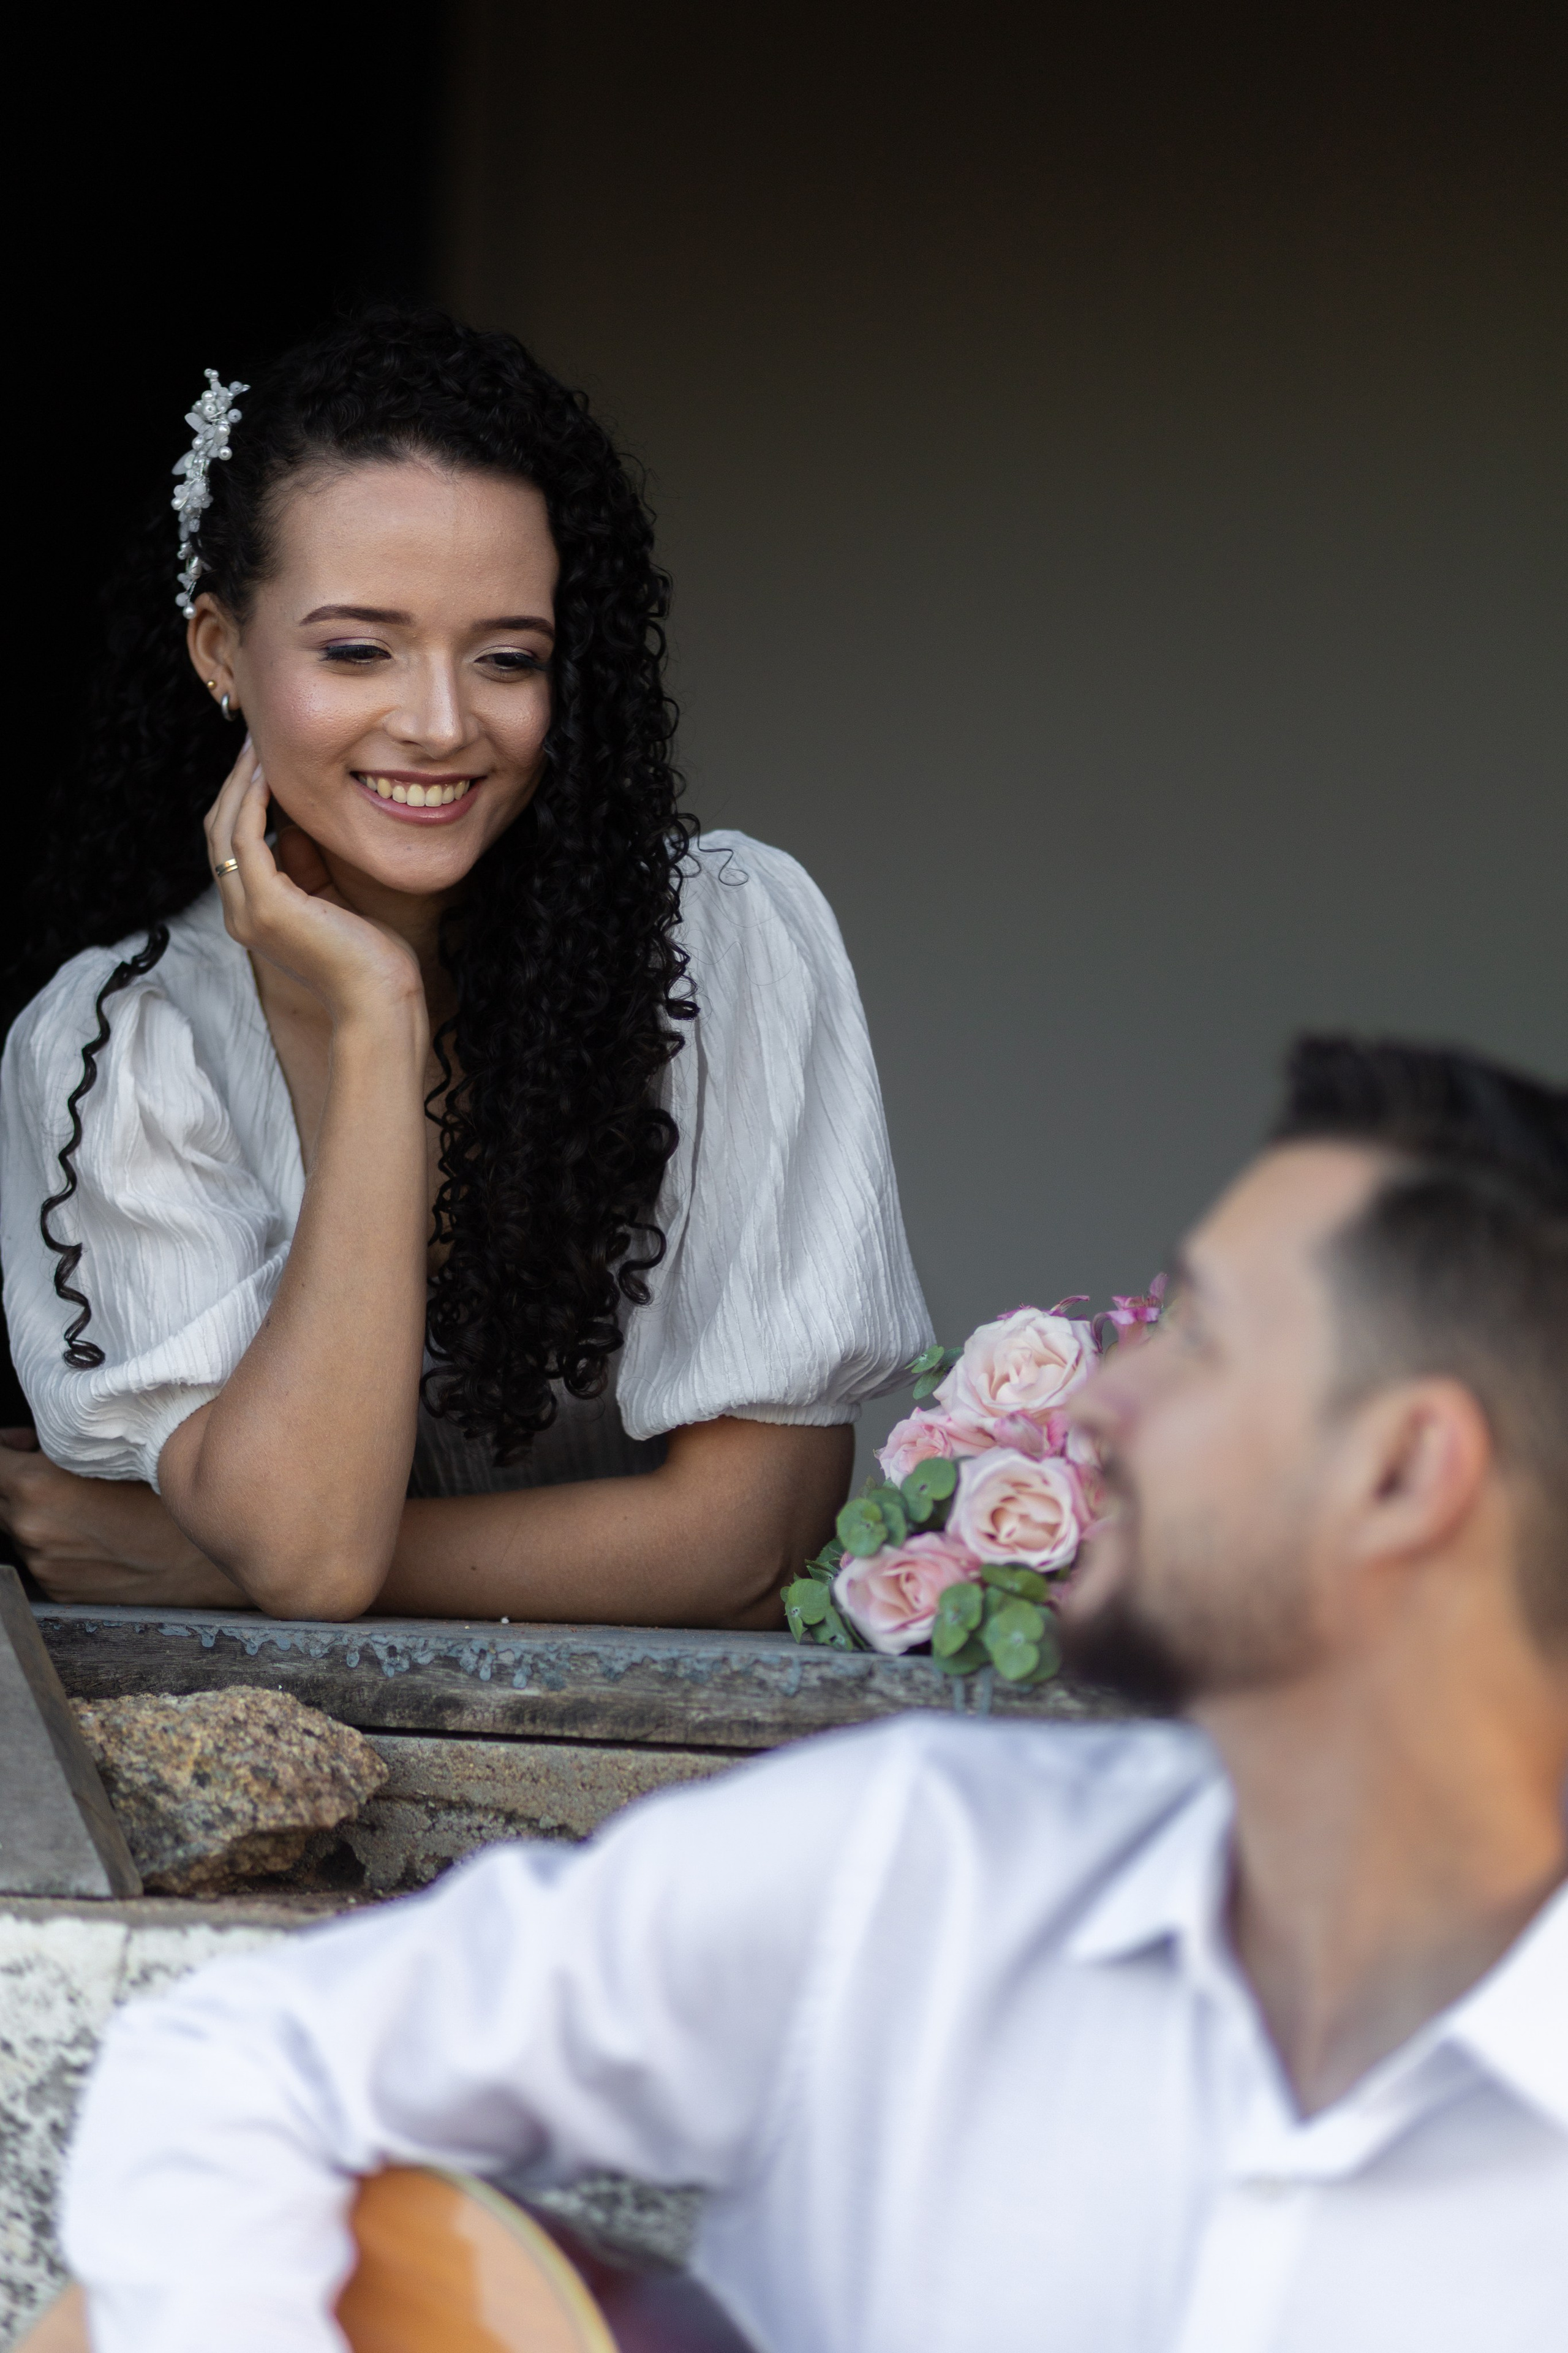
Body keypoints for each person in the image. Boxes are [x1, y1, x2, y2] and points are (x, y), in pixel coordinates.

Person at [54, 1035, 1568, 2350]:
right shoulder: (909, 1863)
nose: (1098, 1399)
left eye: (1203, 1345)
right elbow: (238, 2052)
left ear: (1403, 1470)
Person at [0, 310, 930, 1625]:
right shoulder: (121, 1040)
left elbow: (746, 1536)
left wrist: (205, 1564)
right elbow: (311, 1547)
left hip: (669, 1792)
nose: (440, 724)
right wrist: (378, 1021)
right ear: (222, 652)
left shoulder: (720, 941)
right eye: (356, 649)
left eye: (508, 658)